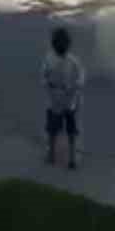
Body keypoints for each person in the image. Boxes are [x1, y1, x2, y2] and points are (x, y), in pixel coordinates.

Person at [43, 26, 84, 170]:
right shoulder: (52, 59)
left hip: (67, 100)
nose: (62, 46)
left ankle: (65, 156)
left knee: (66, 130)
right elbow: (44, 77)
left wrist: (75, 86)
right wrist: (50, 86)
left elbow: (80, 77)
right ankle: (57, 154)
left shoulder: (71, 61)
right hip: (59, 100)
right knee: (57, 130)